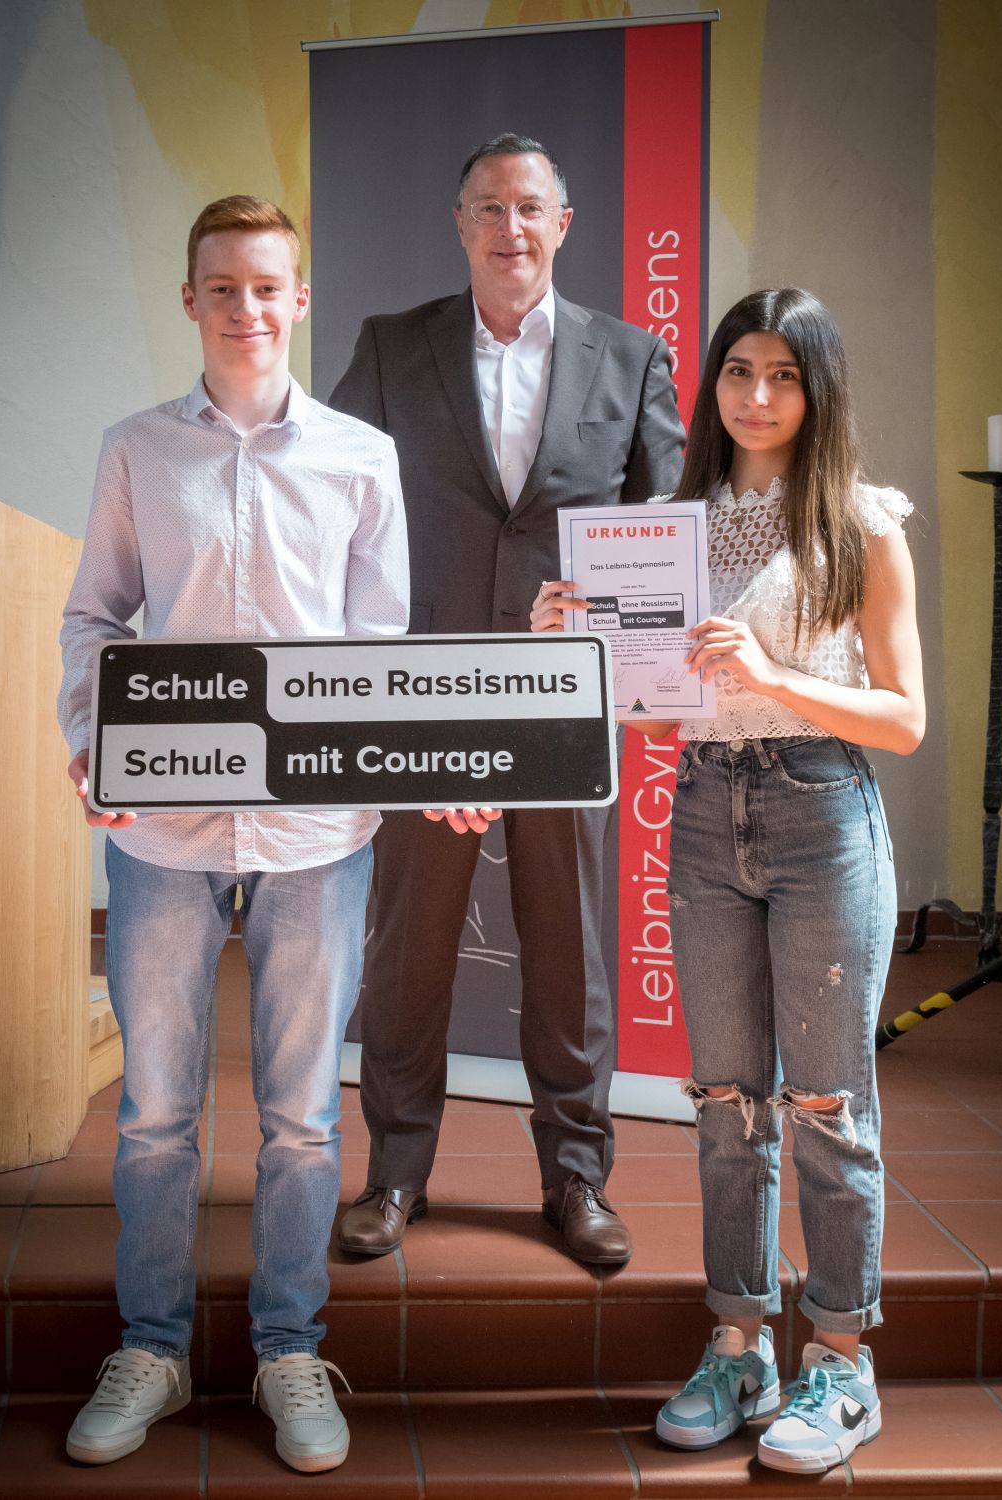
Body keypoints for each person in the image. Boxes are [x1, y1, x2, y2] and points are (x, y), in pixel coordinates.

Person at [531, 287, 923, 1473]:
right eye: (739, 371)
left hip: (823, 812)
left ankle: (840, 1364)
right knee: (724, 1105)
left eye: (783, 375)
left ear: (817, 389)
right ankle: (739, 1346)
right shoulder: (670, 526)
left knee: (826, 1107)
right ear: (712, 386)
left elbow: (903, 719)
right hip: (705, 810)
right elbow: (657, 717)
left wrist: (771, 672)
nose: (757, 396)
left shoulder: (862, 524)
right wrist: (574, 648)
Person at [57, 195, 411, 1474]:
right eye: (223, 288)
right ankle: (152, 1346)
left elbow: (379, 649)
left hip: (316, 834)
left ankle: (286, 1349)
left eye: (268, 287)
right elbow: (96, 618)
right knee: (155, 1114)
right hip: (164, 829)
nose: (246, 309)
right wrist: (95, 738)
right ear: (191, 300)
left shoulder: (363, 457)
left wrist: (419, 763)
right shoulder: (136, 450)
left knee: (304, 1119)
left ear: (298, 299)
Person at [329, 133, 685, 1266]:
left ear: (562, 224)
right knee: (408, 946)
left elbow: (668, 531)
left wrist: (634, 645)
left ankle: (576, 1178)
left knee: (569, 946)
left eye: (529, 207)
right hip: (425, 696)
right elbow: (329, 501)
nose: (509, 228)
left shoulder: (631, 357)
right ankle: (394, 1173)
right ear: (460, 222)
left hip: (566, 701)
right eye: (488, 207)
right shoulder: (391, 346)